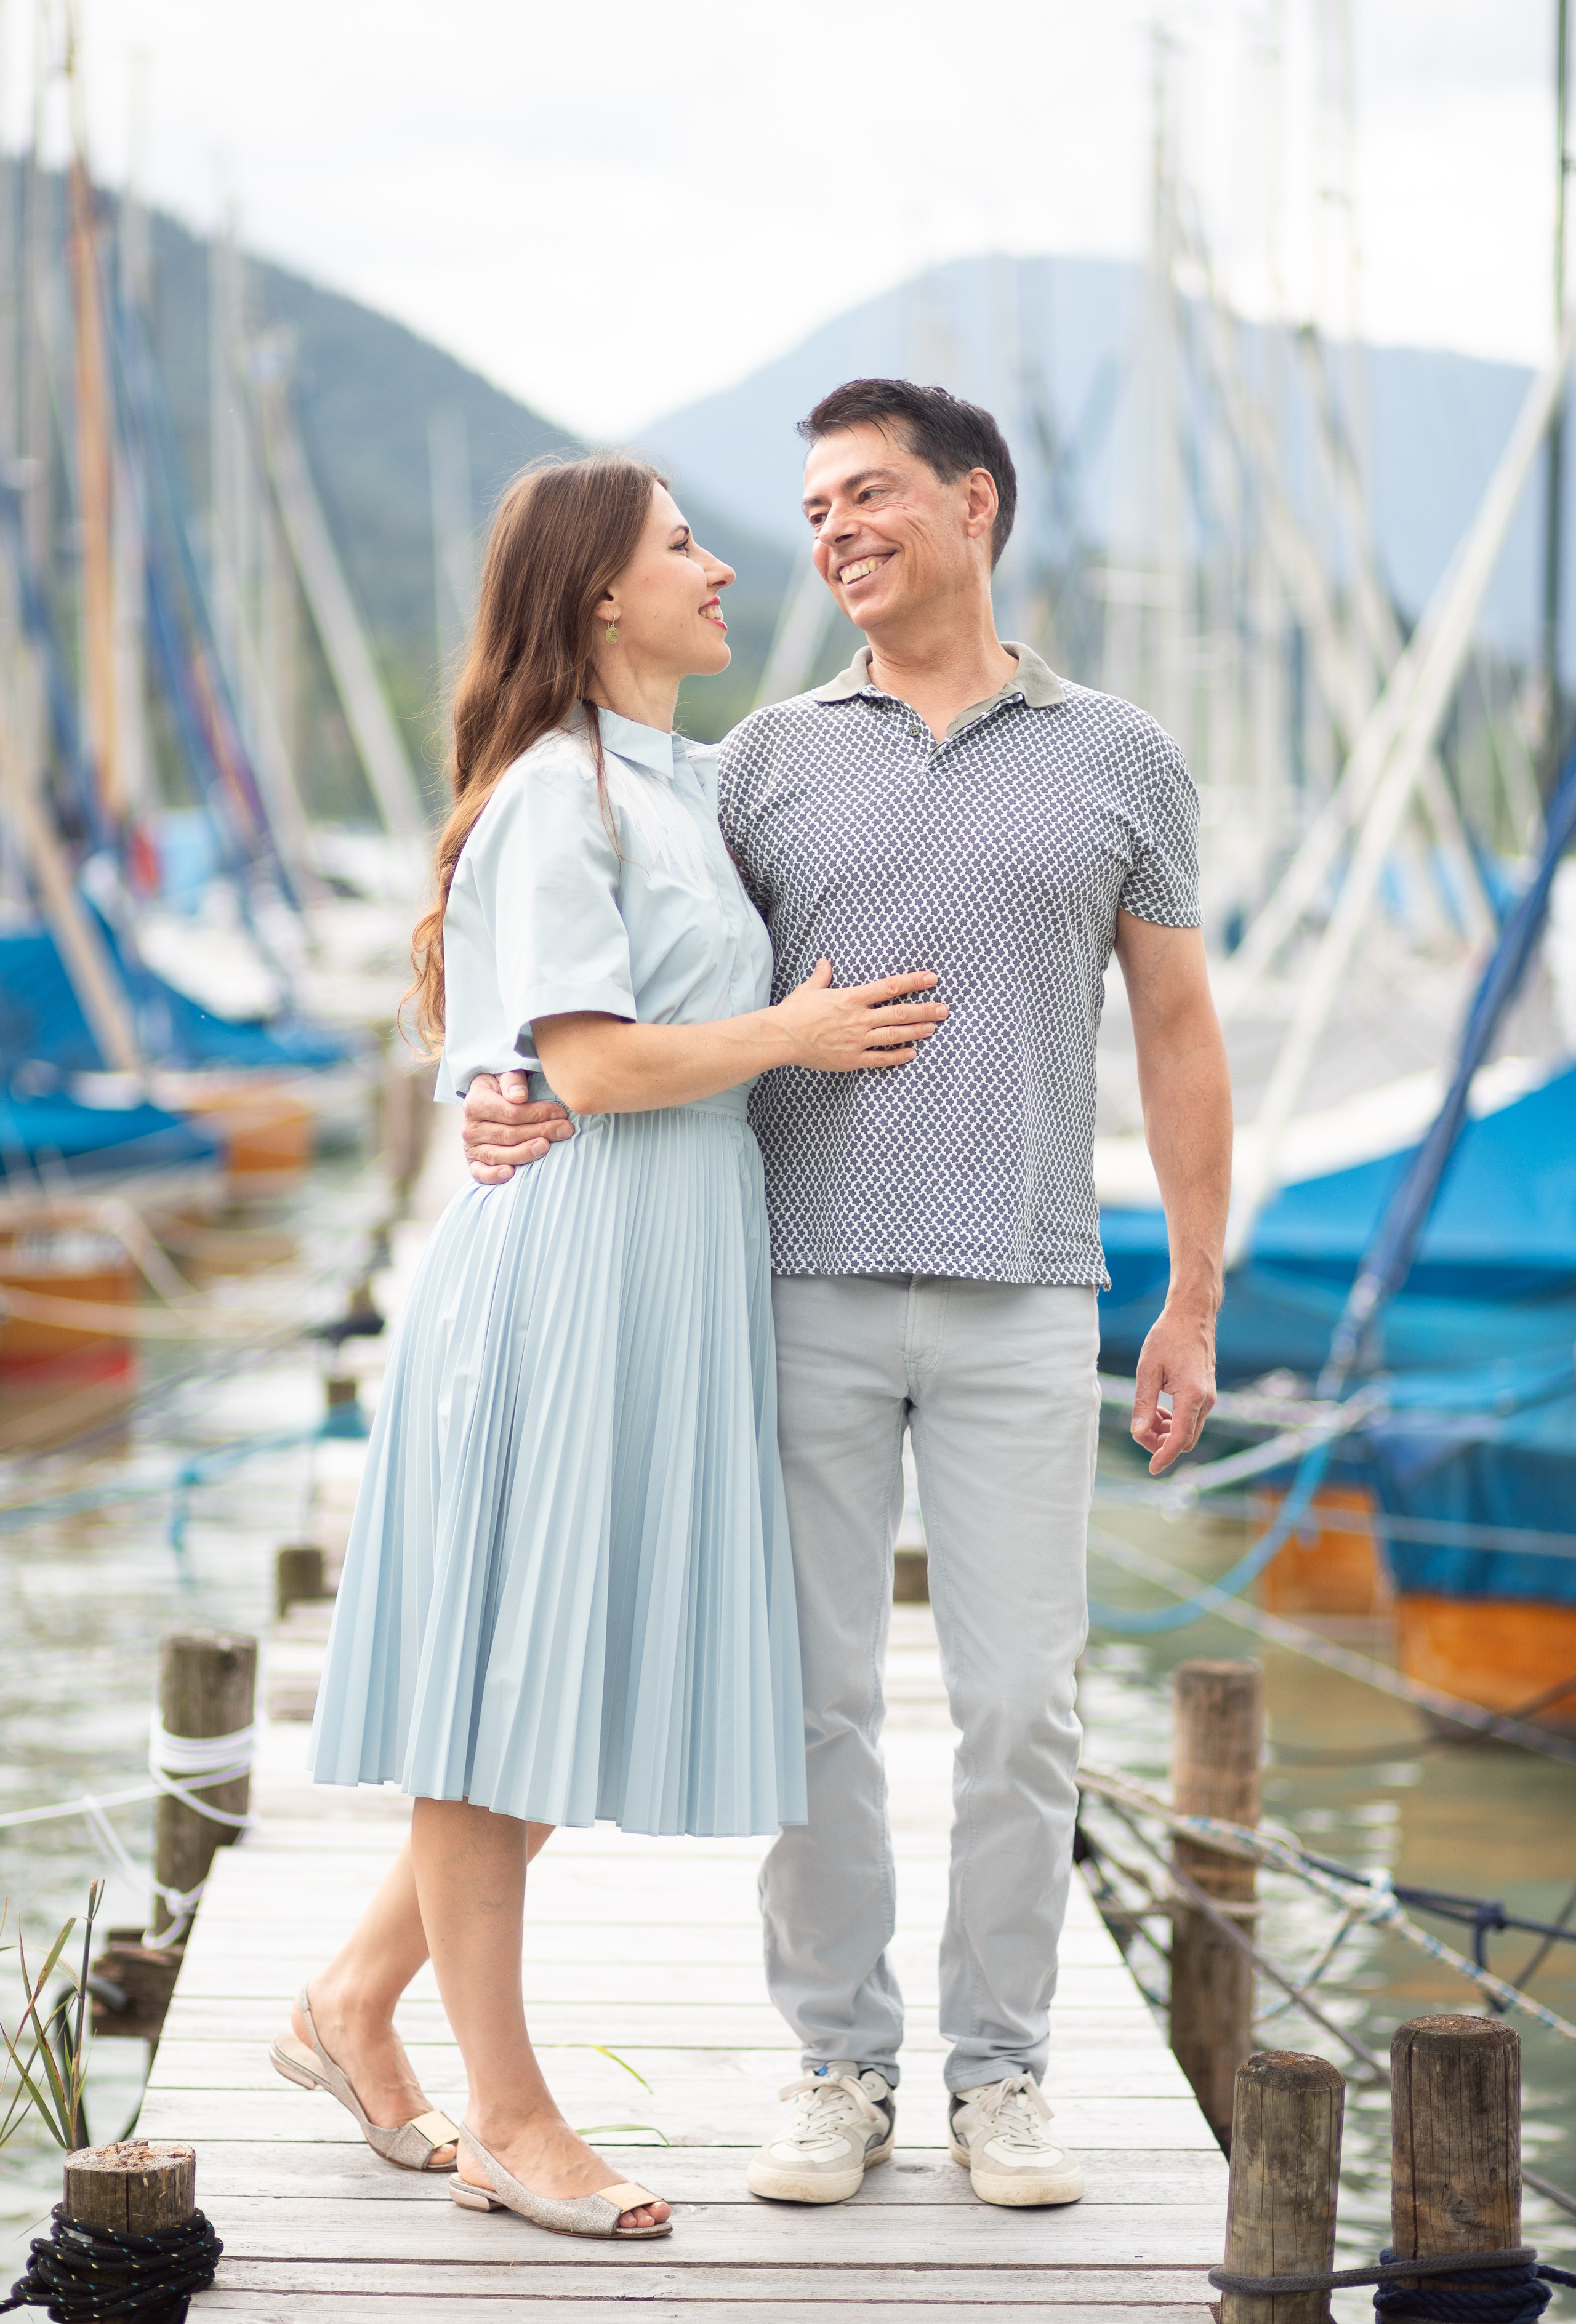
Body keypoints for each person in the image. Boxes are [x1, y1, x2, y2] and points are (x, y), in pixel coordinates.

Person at [462, 380, 1232, 2210]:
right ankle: (835, 2064)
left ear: (975, 503)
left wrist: (1192, 1294)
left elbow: (1184, 1033)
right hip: (785, 1287)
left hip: (1030, 1290)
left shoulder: (1124, 755)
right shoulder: (761, 762)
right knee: (811, 1704)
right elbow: (630, 977)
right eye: (812, 507)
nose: (831, 531)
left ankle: (1006, 2079)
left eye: (868, 493)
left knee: (1024, 1706)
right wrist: (503, 1084)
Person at [272, 451, 949, 2243]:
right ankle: (508, 2115)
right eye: (684, 548)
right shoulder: (554, 796)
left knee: (551, 1684)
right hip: (571, 1281)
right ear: (597, 595)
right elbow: (579, 1063)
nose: (726, 569)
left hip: (667, 1277)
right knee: (506, 1703)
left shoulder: (683, 782)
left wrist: (479, 1075)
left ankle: (348, 2003)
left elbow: (498, 1035)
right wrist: (791, 1034)